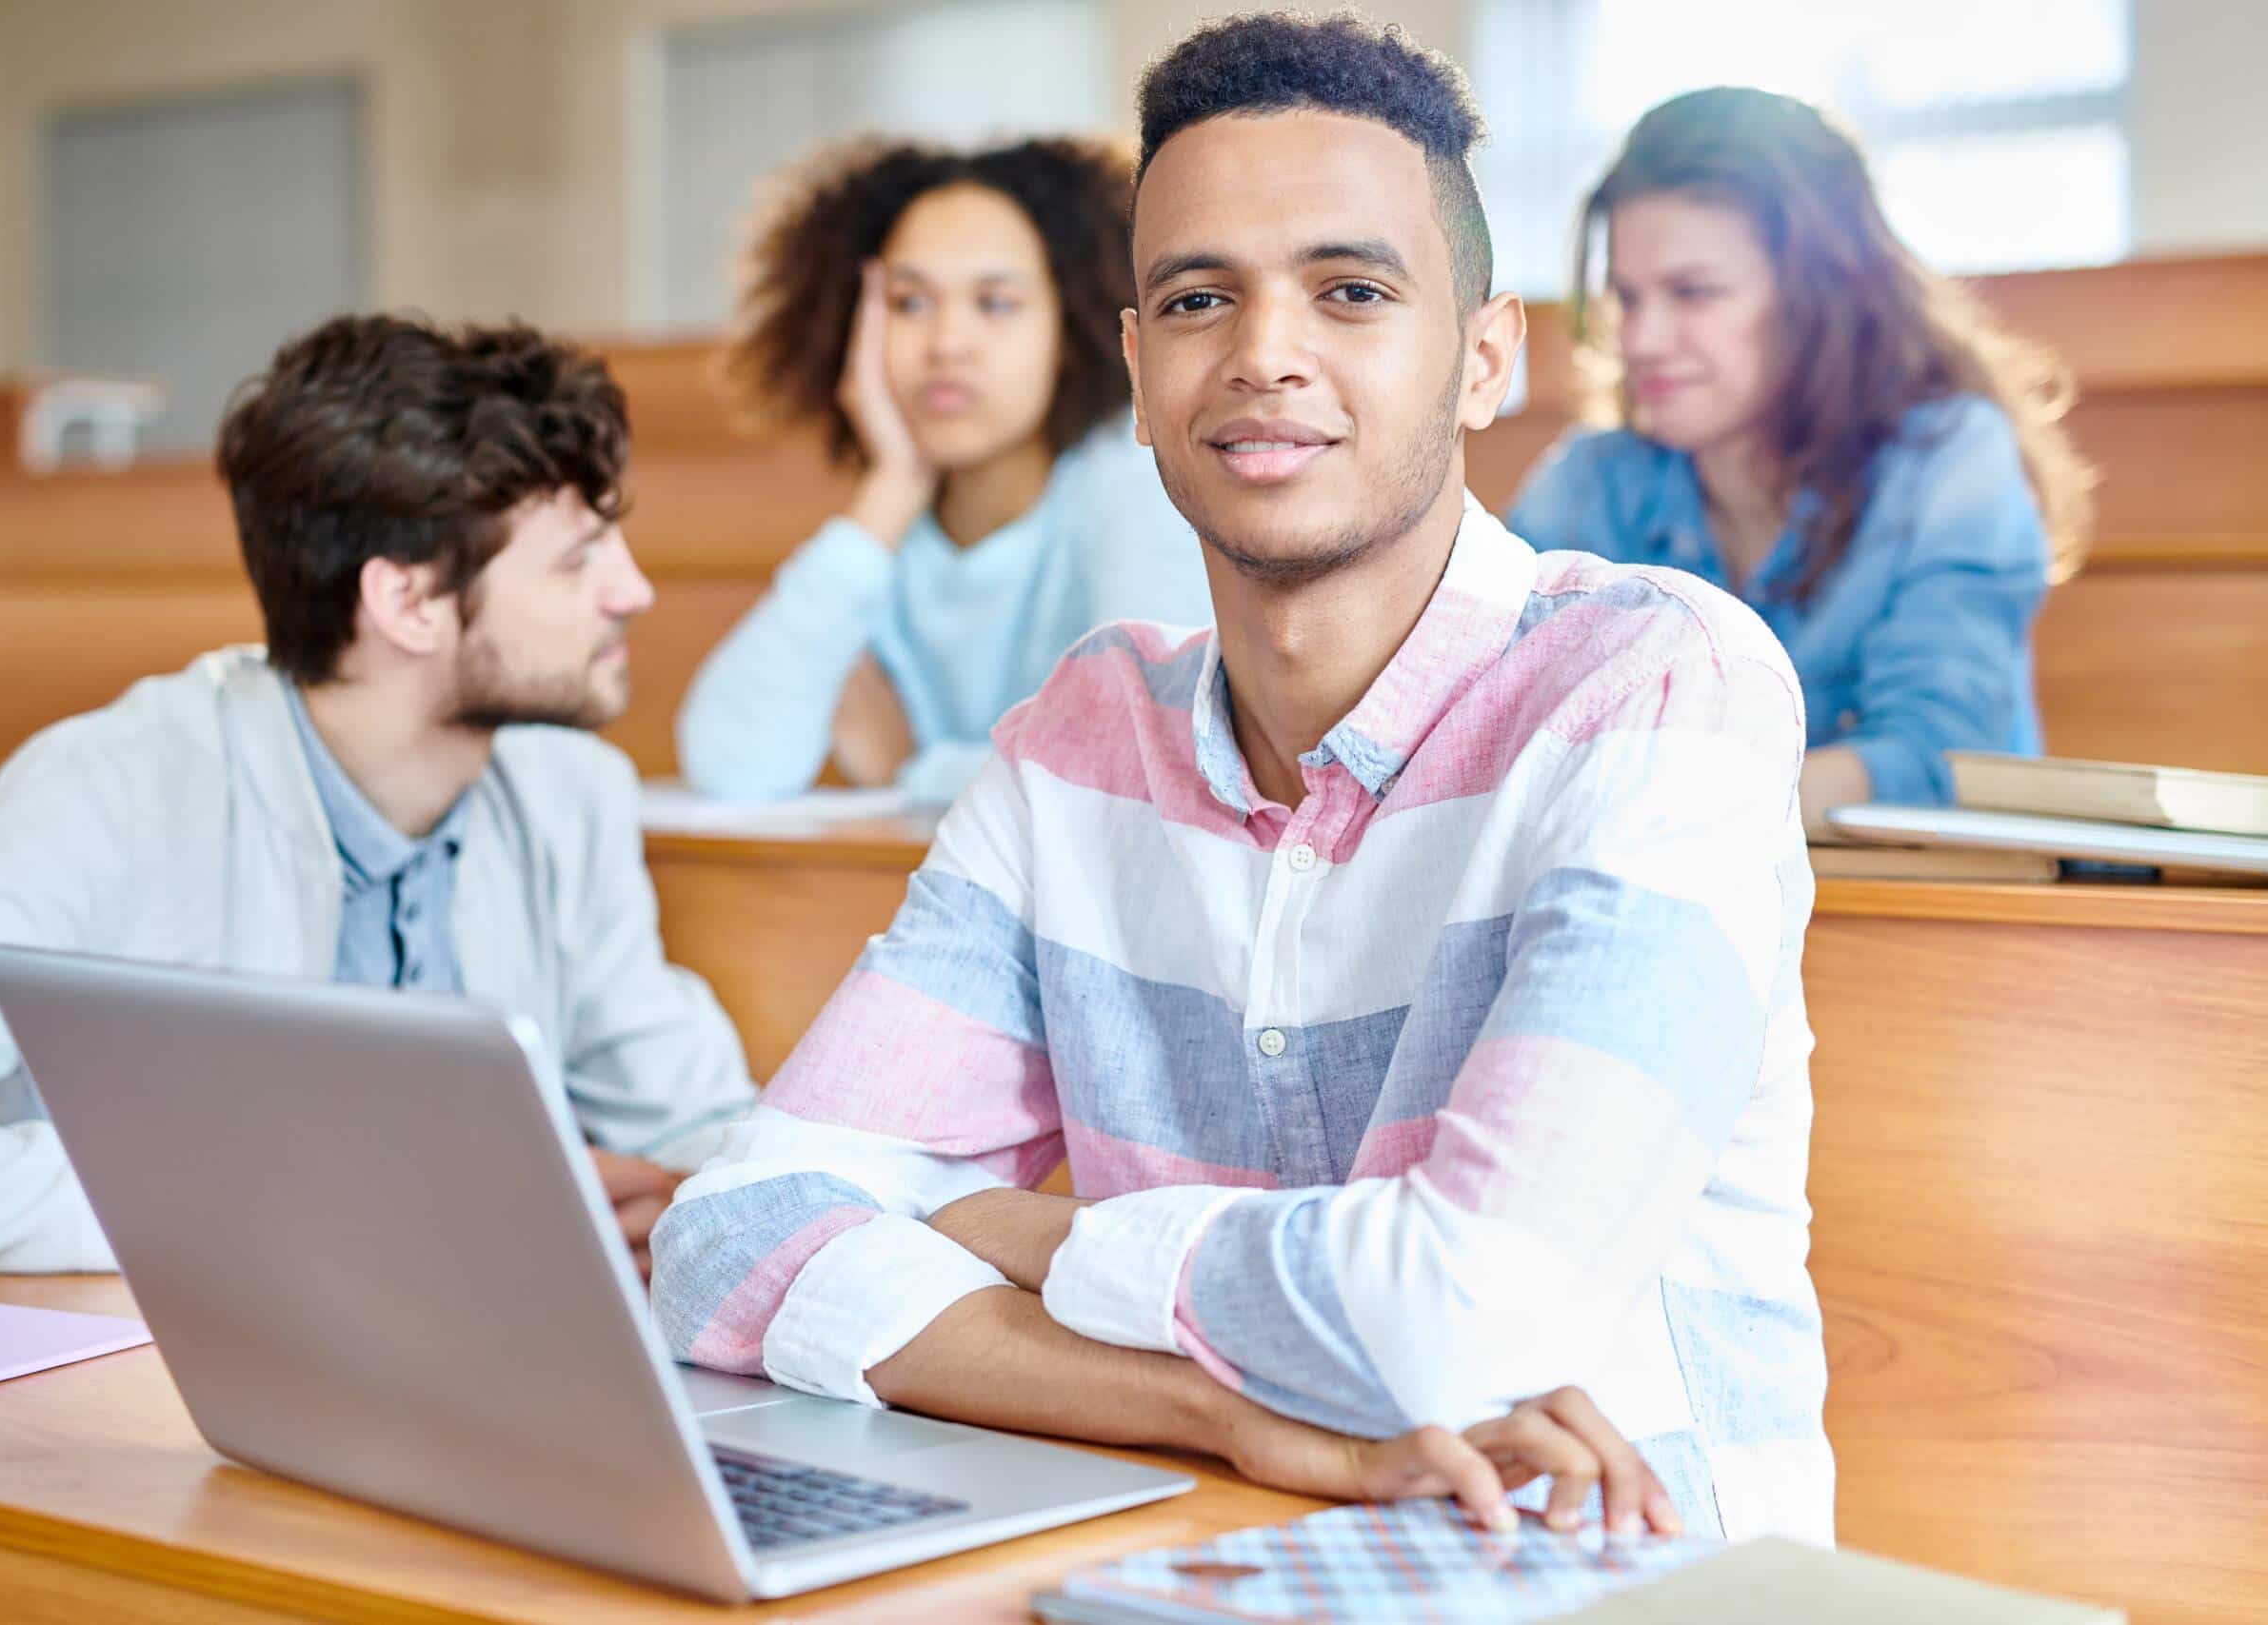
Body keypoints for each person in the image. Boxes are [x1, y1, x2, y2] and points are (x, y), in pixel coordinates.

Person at [652, 14, 1828, 1539]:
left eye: (1350, 291)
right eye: (1201, 298)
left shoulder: (1661, 687)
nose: (1266, 352)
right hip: (1206, 1554)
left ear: (1486, 358)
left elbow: (1469, 1323)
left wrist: (1012, 1229)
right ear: (1139, 372)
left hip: (1620, 1578)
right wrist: (1224, 1407)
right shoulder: (1076, 743)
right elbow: (726, 1237)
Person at [0, 315, 753, 1279]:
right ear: (407, 605)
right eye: (578, 559)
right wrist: (263, 1209)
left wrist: (693, 1196)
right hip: (151, 1384)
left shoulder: (571, 794)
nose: (634, 591)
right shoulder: (112, 786)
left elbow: (698, 1120)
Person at [1506, 87, 2097, 825]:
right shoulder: (1587, 483)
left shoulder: (1951, 461)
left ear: (1822, 295)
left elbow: (1938, 760)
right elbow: (1483, 730)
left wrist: (1641, 804)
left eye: (1694, 293)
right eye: (1628, 296)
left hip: (1920, 918)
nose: (1642, 339)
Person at [676, 137, 1211, 804]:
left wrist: (916, 770)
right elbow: (730, 765)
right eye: (908, 303)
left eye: (995, 303)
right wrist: (890, 489)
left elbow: (1130, 761)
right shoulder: (880, 542)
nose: (946, 344)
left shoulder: (1131, 481)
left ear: (1071, 328)